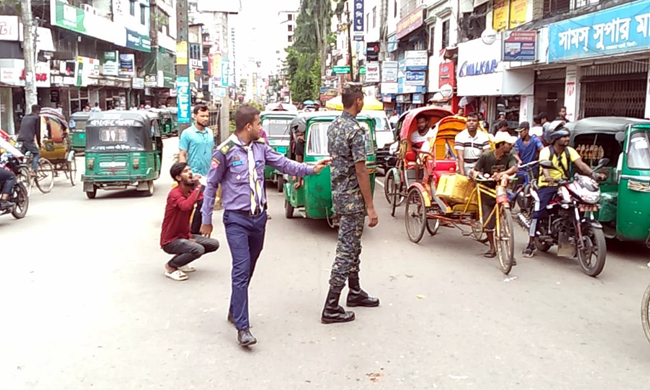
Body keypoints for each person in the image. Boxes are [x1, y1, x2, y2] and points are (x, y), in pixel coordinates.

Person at [199, 105, 331, 347]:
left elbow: (284, 164)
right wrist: (206, 219)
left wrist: (311, 169)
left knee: (249, 268)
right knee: (240, 269)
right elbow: (210, 186)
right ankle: (243, 328)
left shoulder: (260, 148)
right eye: (259, 123)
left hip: (258, 219)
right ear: (248, 126)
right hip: (236, 220)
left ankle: (234, 308)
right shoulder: (225, 151)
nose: (261, 127)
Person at [321, 84, 379, 325]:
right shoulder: (356, 130)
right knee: (346, 250)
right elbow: (361, 170)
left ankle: (354, 292)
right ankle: (331, 305)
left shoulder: (334, 126)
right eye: (362, 98)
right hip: (353, 199)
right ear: (357, 101)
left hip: (339, 195)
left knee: (353, 246)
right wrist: (371, 206)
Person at [523, 122, 606, 258]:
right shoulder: (546, 151)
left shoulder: (570, 151)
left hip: (565, 183)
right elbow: (544, 167)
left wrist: (593, 174)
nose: (567, 139)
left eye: (568, 136)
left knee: (578, 202)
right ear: (555, 138)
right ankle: (531, 243)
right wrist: (548, 177)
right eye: (564, 137)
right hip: (547, 185)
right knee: (538, 211)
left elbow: (581, 164)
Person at [161, 163, 220, 281]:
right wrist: (198, 187)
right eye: (185, 171)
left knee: (214, 244)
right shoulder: (175, 194)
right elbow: (186, 206)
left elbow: (203, 200)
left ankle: (181, 262)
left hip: (184, 236)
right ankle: (171, 266)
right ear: (178, 178)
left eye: (190, 170)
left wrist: (206, 185)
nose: (190, 173)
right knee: (198, 249)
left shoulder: (190, 192)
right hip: (171, 240)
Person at [471, 131, 518, 258]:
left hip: (501, 190)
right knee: (488, 223)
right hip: (487, 191)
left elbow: (514, 168)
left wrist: (503, 174)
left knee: (504, 222)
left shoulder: (509, 156)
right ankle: (492, 248)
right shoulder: (486, 156)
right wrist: (477, 175)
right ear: (501, 145)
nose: (512, 146)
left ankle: (509, 253)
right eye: (509, 144)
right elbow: (475, 170)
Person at [179, 104, 214, 235]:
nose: (205, 118)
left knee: (203, 203)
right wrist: (183, 173)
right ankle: (188, 230)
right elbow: (182, 153)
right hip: (193, 175)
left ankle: (195, 231)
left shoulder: (210, 133)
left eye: (207, 116)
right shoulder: (187, 134)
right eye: (202, 116)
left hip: (208, 175)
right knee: (191, 204)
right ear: (195, 116)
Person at [455, 112, 491, 176]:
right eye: (469, 120)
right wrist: (463, 176)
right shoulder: (460, 136)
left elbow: (487, 156)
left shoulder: (484, 136)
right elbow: (460, 158)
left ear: (478, 123)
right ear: (466, 123)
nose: (471, 122)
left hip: (478, 167)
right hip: (465, 166)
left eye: (474, 121)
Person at [17, 105, 42, 174]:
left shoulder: (25, 117)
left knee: (20, 155)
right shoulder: (37, 118)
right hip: (28, 139)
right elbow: (37, 132)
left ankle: (18, 169)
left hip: (20, 139)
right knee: (36, 154)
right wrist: (39, 143)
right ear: (38, 111)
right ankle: (33, 170)